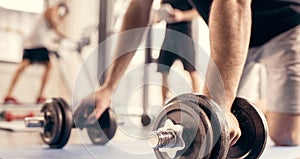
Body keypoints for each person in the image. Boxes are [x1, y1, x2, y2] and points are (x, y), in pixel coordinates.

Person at [74, 0, 300, 146]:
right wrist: (108, 87)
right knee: (223, 131)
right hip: (236, 37)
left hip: (286, 25)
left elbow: (234, 3)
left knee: (285, 135)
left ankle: (261, 106)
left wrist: (218, 105)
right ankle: (261, 106)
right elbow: (139, 9)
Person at [3, 2, 69, 104]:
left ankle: (8, 94)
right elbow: (53, 25)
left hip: (31, 42)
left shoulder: (50, 14)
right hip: (36, 44)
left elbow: (51, 29)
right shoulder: (50, 10)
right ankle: (40, 95)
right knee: (48, 65)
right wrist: (66, 37)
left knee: (23, 66)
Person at [155, 0, 200, 105]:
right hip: (169, 36)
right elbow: (159, 14)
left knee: (192, 71)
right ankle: (164, 106)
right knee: (163, 70)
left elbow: (197, 12)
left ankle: (199, 105)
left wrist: (182, 15)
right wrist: (158, 17)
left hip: (185, 36)